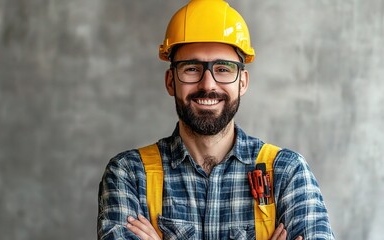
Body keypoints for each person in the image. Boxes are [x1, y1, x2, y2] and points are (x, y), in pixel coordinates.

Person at [97, 0, 334, 239]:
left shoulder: (286, 172)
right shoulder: (130, 174)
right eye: (191, 68)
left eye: (223, 69)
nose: (208, 84)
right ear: (171, 81)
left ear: (242, 82)